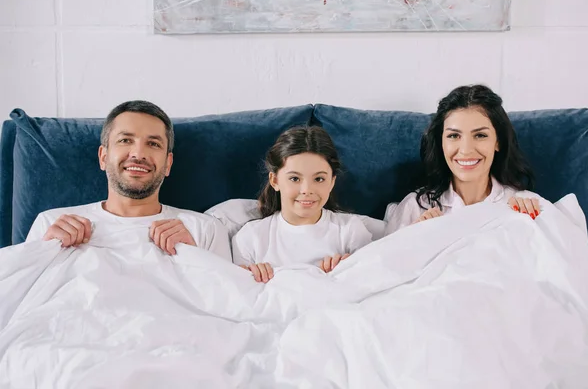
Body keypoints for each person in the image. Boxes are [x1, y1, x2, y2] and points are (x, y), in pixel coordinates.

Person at [26, 100, 231, 261]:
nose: (138, 153)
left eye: (153, 143)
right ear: (103, 157)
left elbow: (228, 308)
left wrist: (194, 258)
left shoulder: (205, 229)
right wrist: (45, 253)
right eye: (125, 140)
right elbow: (18, 302)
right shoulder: (52, 224)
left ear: (168, 163)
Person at [385, 85, 548, 235]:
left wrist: (532, 226)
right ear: (441, 142)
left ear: (498, 142)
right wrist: (414, 240)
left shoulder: (524, 204)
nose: (466, 150)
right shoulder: (415, 207)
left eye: (480, 135)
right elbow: (379, 263)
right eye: (454, 136)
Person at [232, 126, 372, 282]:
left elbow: (369, 287)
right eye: (294, 179)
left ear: (332, 182)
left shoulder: (350, 231)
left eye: (319, 179)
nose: (306, 190)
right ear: (275, 180)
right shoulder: (250, 237)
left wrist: (349, 271)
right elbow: (241, 297)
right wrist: (252, 276)